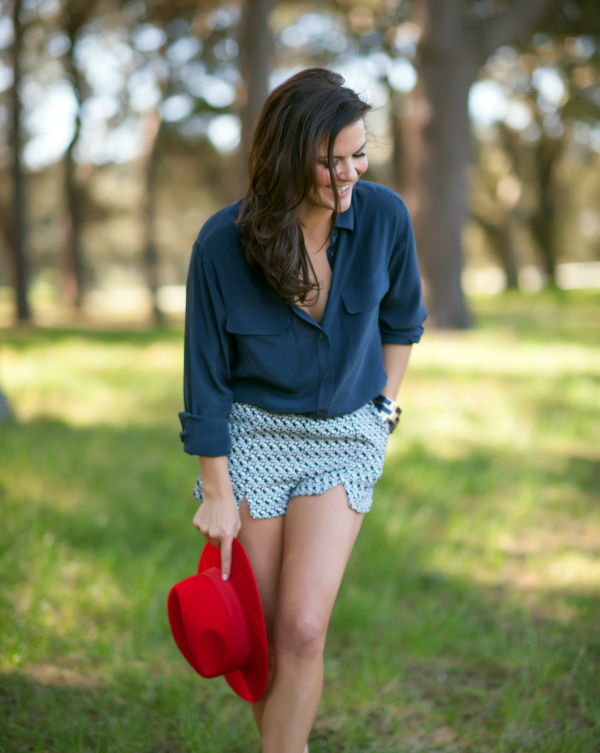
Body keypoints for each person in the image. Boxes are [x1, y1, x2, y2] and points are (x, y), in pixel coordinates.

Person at [179, 67, 426, 753]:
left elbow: (403, 324)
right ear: (288, 156)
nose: (349, 174)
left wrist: (384, 411)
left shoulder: (384, 217)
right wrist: (217, 490)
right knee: (258, 643)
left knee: (304, 627)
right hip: (253, 435)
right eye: (330, 160)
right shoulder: (220, 244)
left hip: (346, 435)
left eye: (358, 154)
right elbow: (205, 375)